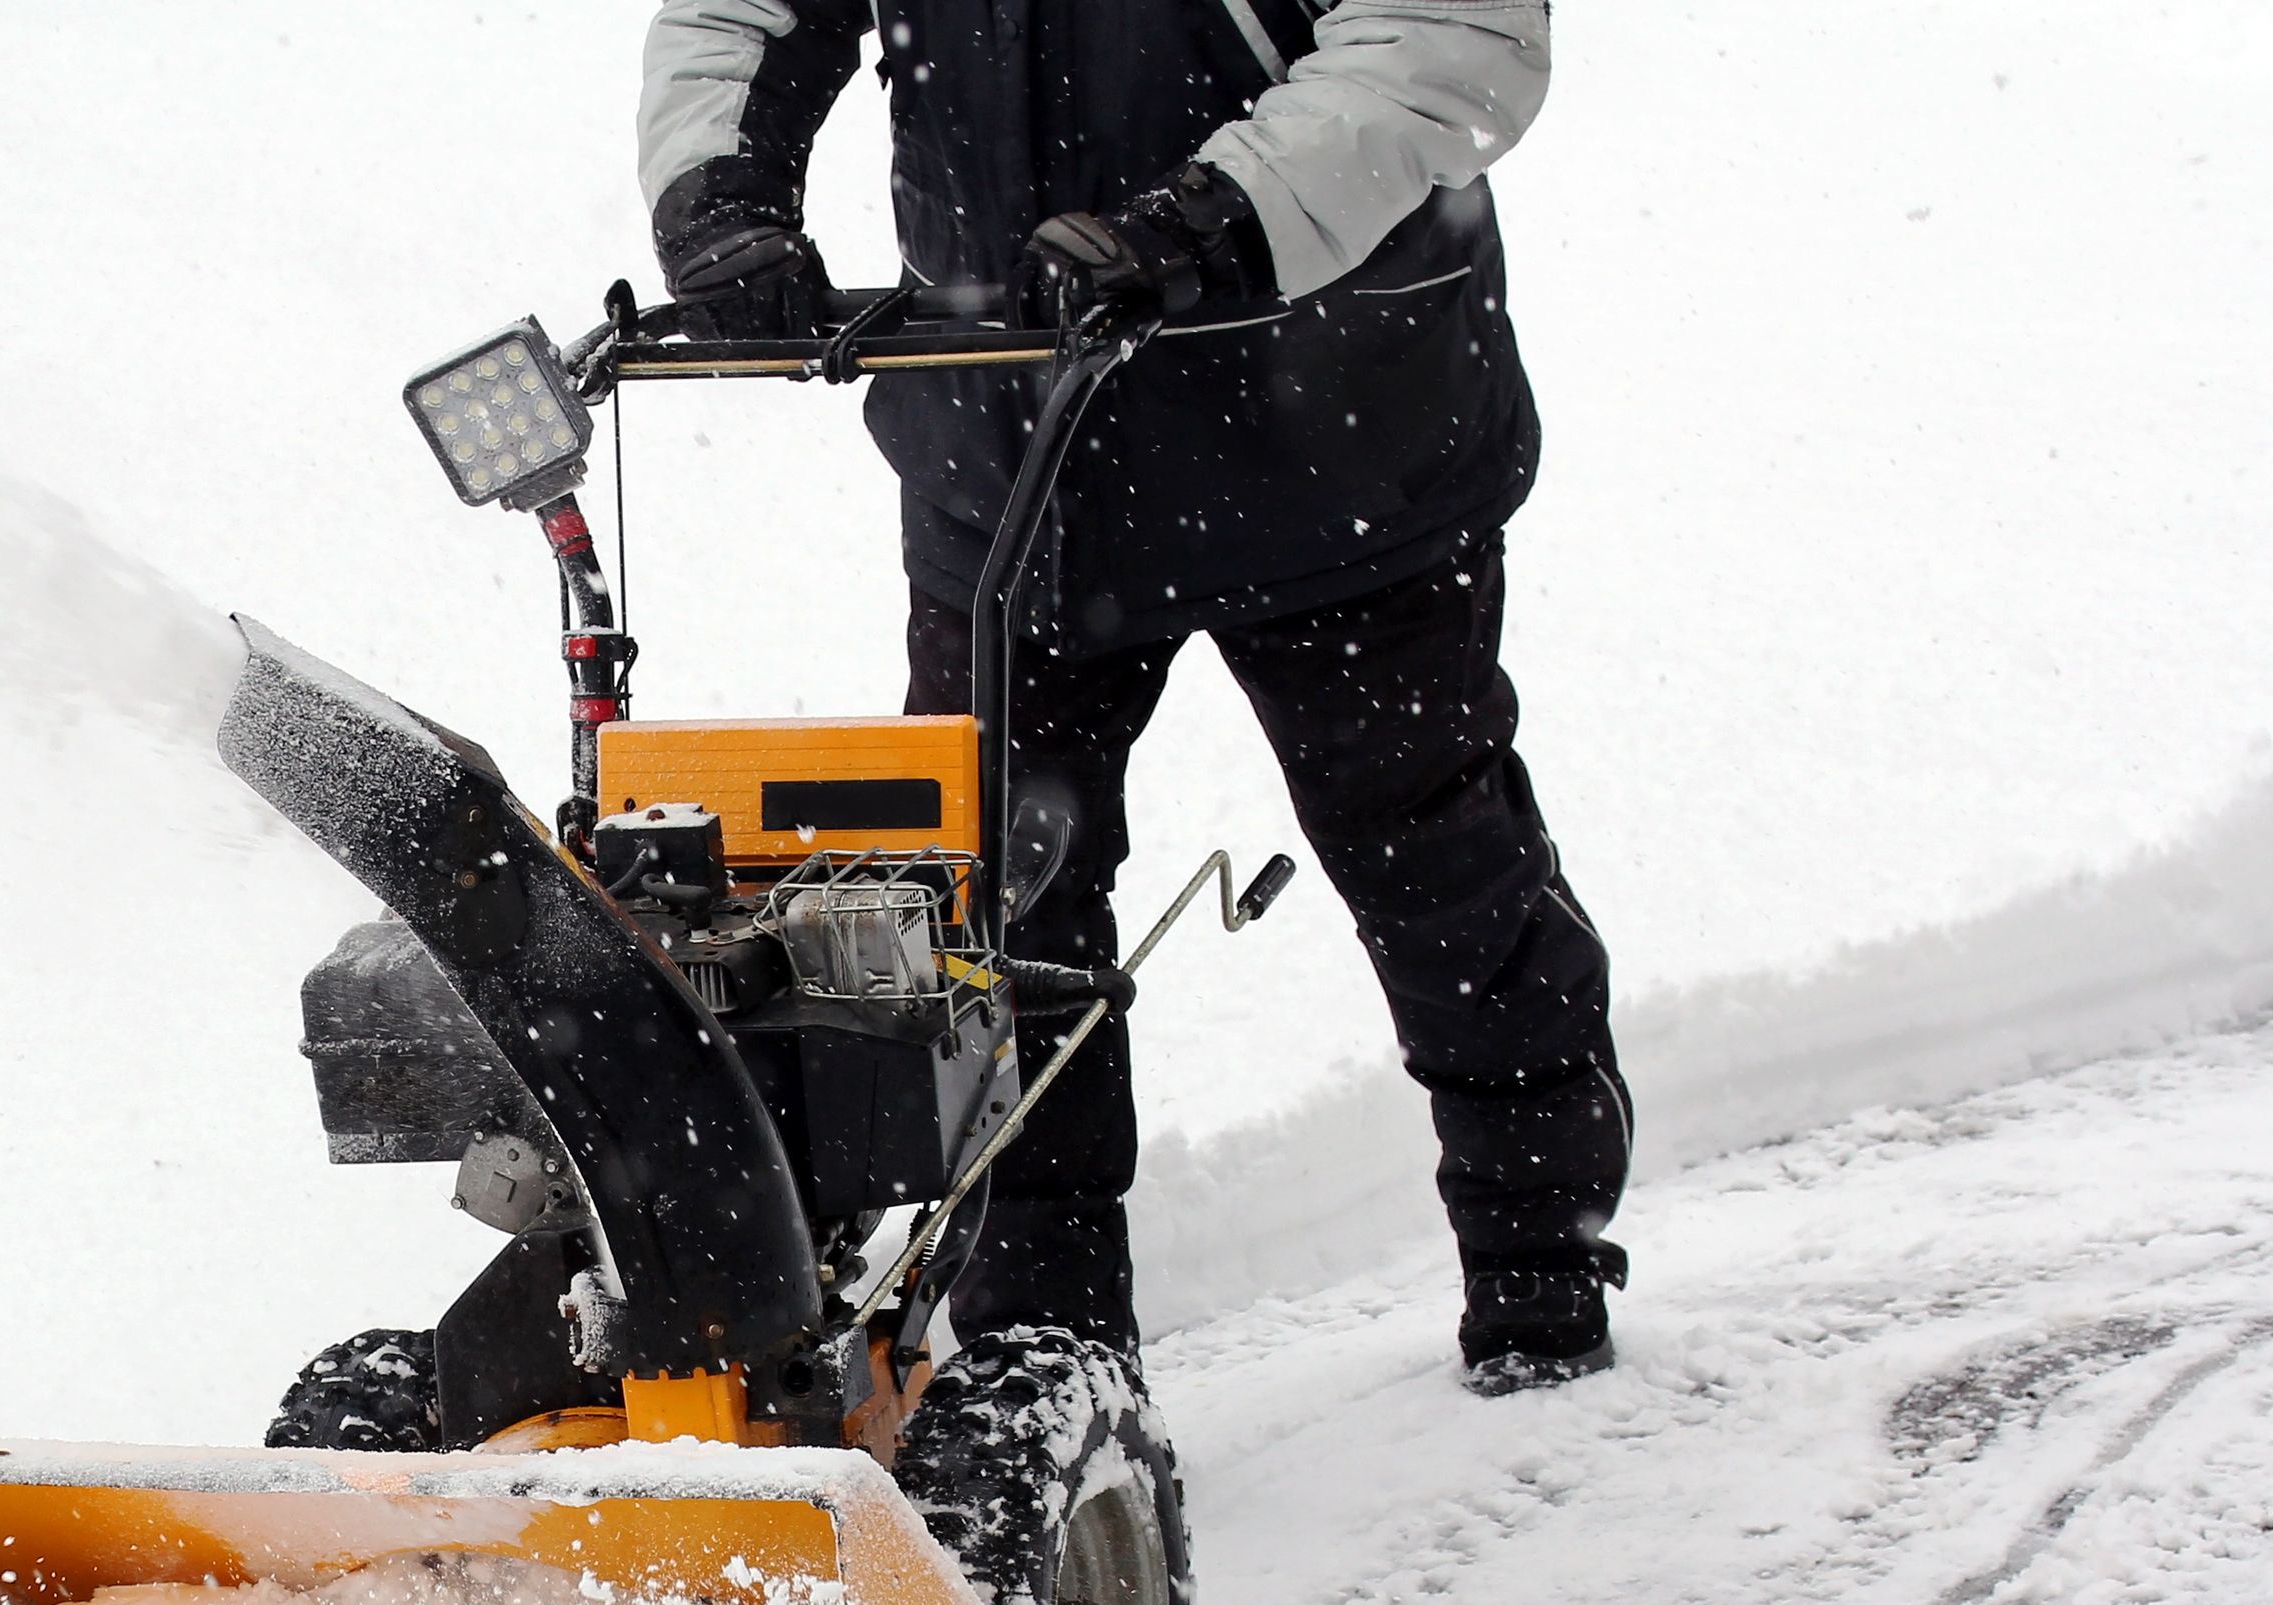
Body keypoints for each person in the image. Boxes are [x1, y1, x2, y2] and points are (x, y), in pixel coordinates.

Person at [640, 0, 1631, 1391]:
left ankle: (1541, 1264)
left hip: (1335, 433)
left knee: (1433, 862)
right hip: (1010, 442)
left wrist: (1212, 218)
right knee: (993, 914)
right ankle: (1047, 1353)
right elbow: (745, 13)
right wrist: (721, 193)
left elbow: (1447, 35)